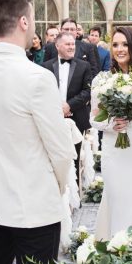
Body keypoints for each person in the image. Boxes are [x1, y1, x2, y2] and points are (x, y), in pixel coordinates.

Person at [0, 0, 76, 264]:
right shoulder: (37, 77)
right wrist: (59, 187)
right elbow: (61, 150)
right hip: (35, 205)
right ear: (24, 22)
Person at [92, 27, 132, 240]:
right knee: (116, 199)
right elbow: (94, 118)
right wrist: (112, 125)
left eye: (125, 44)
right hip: (114, 149)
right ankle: (116, 247)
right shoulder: (102, 79)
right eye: (116, 45)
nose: (120, 49)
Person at [42, 32, 92, 184]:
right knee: (54, 157)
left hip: (77, 118)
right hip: (52, 119)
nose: (72, 47)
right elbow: (42, 92)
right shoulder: (46, 66)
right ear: (57, 46)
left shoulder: (84, 66)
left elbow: (87, 91)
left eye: (73, 44)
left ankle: (75, 196)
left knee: (75, 156)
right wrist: (57, 108)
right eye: (68, 44)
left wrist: (69, 105)